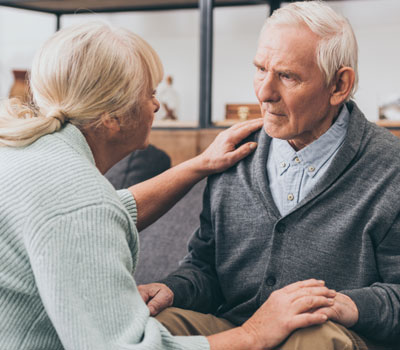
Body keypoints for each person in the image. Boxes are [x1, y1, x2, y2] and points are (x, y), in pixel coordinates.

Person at [0, 22, 337, 350]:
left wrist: (199, 164)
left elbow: (105, 212)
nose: (157, 105)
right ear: (112, 118)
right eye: (150, 93)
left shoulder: (30, 157)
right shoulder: (81, 206)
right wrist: (253, 335)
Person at [138, 2, 400, 349]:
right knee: (154, 326)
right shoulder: (233, 153)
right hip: (235, 330)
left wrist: (349, 305)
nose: (264, 93)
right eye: (261, 69)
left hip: (329, 335)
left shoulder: (390, 168)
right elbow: (206, 269)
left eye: (288, 76)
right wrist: (172, 288)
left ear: (339, 85)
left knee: (313, 335)